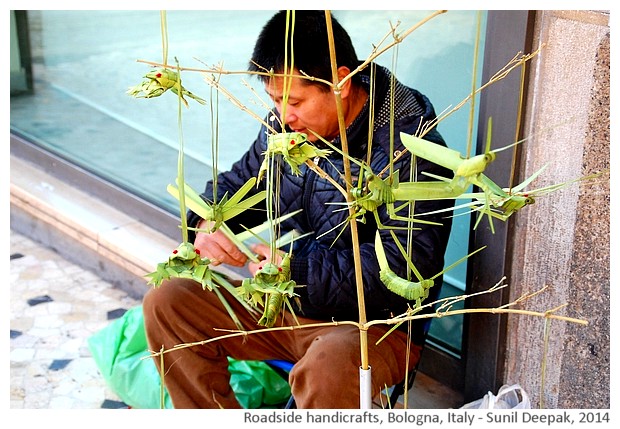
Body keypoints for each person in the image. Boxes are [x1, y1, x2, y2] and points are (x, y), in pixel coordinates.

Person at [142, 10, 454, 409]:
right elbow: (241, 181)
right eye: (275, 100)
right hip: (283, 303)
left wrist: (295, 271)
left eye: (295, 101)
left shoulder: (410, 150)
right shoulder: (287, 127)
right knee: (168, 301)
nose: (283, 115)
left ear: (340, 83)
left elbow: (402, 270)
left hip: (371, 327)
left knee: (328, 365)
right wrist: (208, 221)